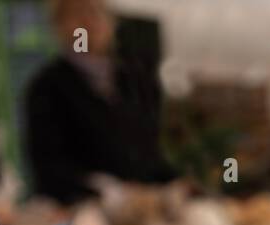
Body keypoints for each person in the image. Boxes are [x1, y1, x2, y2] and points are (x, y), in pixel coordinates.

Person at [25, 0, 173, 204]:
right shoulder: (45, 88)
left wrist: (176, 183)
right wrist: (106, 190)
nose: (89, 22)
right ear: (59, 25)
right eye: (77, 14)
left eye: (97, 13)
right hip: (78, 216)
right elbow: (49, 170)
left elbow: (150, 155)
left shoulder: (136, 80)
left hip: (143, 212)